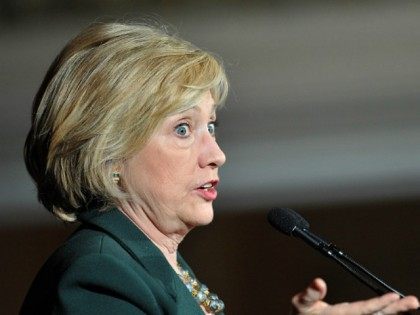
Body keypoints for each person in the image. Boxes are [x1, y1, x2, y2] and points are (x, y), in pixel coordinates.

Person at [21, 22, 418, 315]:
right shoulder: (99, 275)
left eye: (211, 126)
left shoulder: (150, 264)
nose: (216, 153)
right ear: (109, 157)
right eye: (182, 129)